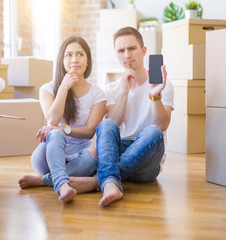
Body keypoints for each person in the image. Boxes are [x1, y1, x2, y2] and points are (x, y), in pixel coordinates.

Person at [18, 36, 106, 203]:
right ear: (61, 60)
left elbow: (89, 132)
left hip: (79, 159)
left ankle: (44, 180)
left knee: (94, 157)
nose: (74, 60)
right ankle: (62, 184)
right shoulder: (48, 88)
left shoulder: (98, 93)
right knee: (56, 134)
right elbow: (52, 120)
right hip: (47, 155)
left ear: (87, 61)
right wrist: (64, 87)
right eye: (69, 55)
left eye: (80, 54)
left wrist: (62, 128)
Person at [96, 27, 174, 207]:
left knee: (154, 131)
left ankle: (101, 180)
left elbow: (162, 125)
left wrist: (155, 95)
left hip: (147, 160)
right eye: (121, 50)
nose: (127, 55)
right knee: (106, 124)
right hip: (119, 151)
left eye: (132, 48)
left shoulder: (163, 84)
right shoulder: (112, 89)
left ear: (143, 51)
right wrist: (124, 92)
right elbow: (113, 125)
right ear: (116, 55)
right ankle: (111, 183)